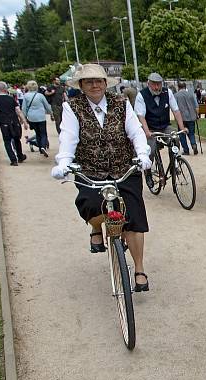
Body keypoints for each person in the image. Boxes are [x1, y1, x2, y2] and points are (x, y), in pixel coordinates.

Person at [50, 64, 153, 292]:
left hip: (123, 167)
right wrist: (64, 162)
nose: (95, 85)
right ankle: (97, 228)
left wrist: (143, 154)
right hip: (91, 170)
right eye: (88, 81)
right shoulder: (72, 107)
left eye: (99, 80)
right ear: (81, 86)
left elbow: (135, 131)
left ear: (106, 84)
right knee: (91, 205)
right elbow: (68, 136)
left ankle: (139, 268)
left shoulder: (120, 103)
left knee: (135, 217)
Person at [135, 72, 187, 185]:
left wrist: (182, 127)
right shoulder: (141, 95)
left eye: (159, 84)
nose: (157, 87)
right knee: (150, 149)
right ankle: (148, 173)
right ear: (148, 83)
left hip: (164, 125)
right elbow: (141, 116)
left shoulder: (167, 92)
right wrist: (147, 131)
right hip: (150, 128)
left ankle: (174, 164)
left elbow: (176, 110)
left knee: (175, 138)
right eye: (154, 84)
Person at [0, 81, 29, 166]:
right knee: (16, 139)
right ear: (5, 89)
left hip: (4, 121)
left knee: (7, 141)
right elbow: (18, 111)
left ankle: (13, 159)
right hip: (14, 121)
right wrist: (24, 122)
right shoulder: (11, 98)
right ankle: (20, 156)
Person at [22, 80, 53, 157]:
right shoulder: (40, 95)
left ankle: (40, 148)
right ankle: (43, 147)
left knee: (38, 133)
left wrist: (24, 118)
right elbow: (47, 106)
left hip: (32, 117)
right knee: (43, 133)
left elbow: (24, 108)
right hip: (41, 117)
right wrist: (51, 113)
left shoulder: (25, 96)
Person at [174, 81, 199, 155]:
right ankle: (193, 144)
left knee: (182, 134)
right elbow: (196, 106)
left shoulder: (176, 95)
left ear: (178, 87)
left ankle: (186, 150)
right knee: (191, 133)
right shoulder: (191, 94)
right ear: (185, 87)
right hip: (191, 117)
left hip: (181, 118)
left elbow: (175, 108)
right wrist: (197, 115)